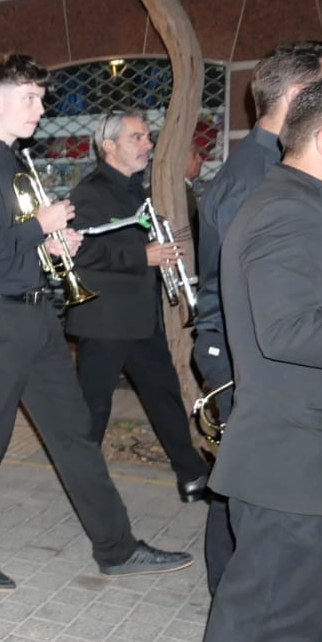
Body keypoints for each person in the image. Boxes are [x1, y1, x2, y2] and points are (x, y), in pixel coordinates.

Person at [0, 53, 191, 590]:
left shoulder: (11, 162)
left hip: (36, 316)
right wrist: (38, 227)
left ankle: (116, 549)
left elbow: (7, 246)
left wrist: (54, 243)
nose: (41, 107)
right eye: (30, 98)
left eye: (41, 97)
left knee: (75, 438)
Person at [183, 70, 322, 642]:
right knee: (259, 638)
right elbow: (289, 329)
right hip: (299, 476)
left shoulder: (318, 211)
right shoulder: (286, 212)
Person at [191, 41, 322, 596]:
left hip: (246, 346)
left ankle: (241, 602)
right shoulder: (256, 180)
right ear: (301, 96)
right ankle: (247, 608)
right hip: (243, 351)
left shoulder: (275, 169)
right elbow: (264, 301)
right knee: (256, 493)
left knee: (241, 482)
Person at [65, 111, 212, 502]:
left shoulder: (134, 190)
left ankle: (192, 475)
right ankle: (84, 482)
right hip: (106, 320)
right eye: (137, 137)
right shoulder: (90, 191)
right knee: (93, 408)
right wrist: (141, 254)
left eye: (147, 136)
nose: (147, 144)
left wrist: (159, 251)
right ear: (109, 146)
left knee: (163, 396)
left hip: (140, 317)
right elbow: (78, 251)